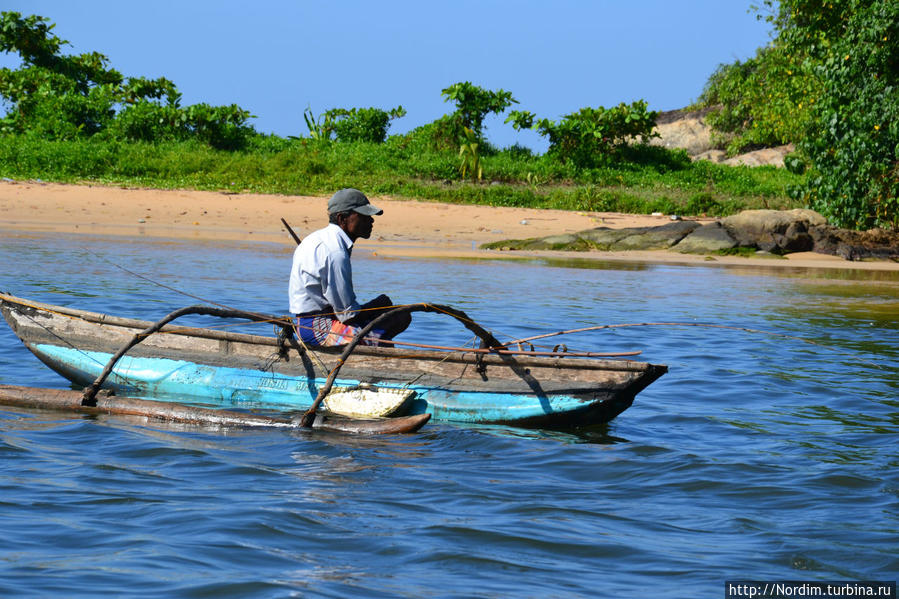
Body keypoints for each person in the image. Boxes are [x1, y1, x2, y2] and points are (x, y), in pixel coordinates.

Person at [288, 188, 411, 347]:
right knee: (399, 318)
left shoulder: (317, 238)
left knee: (393, 314)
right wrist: (376, 306)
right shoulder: (335, 252)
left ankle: (376, 349)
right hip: (318, 329)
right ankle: (376, 357)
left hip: (310, 323)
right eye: (363, 216)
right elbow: (348, 315)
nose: (371, 220)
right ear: (342, 219)